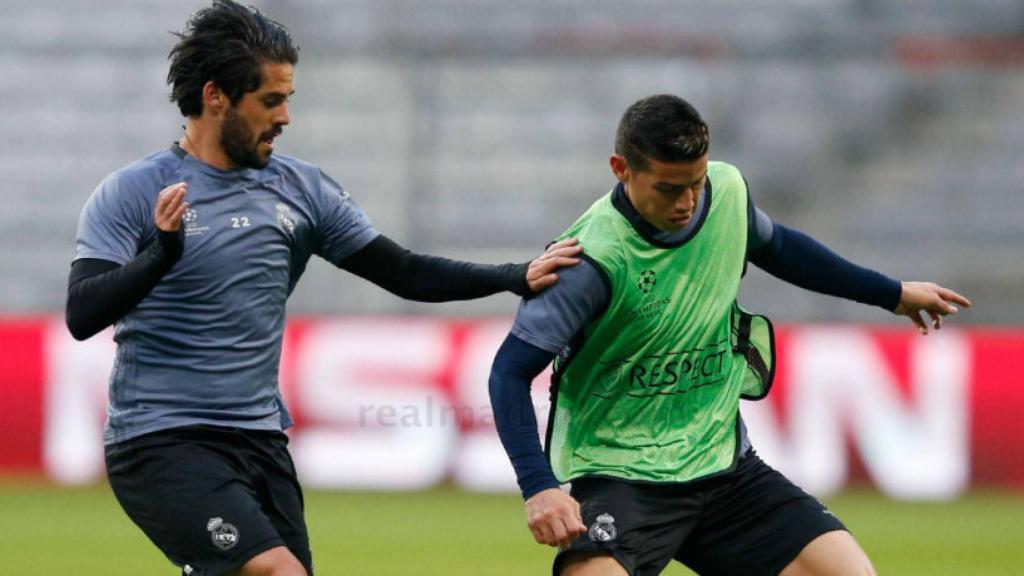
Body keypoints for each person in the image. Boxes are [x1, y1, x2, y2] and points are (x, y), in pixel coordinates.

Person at [64, 2, 580, 575]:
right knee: (280, 572)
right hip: (162, 438)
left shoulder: (300, 189)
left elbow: (402, 271)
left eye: (288, 99)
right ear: (216, 97)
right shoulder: (134, 192)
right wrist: (160, 254)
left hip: (260, 438)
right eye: (269, 100)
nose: (285, 116)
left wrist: (513, 275)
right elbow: (83, 313)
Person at [488, 94, 971, 576]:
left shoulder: (727, 191)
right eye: (668, 188)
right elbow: (509, 372)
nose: (687, 203)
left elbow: (781, 248)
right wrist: (539, 486)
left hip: (724, 468)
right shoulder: (588, 259)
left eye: (695, 184)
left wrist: (891, 293)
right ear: (621, 168)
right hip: (622, 476)